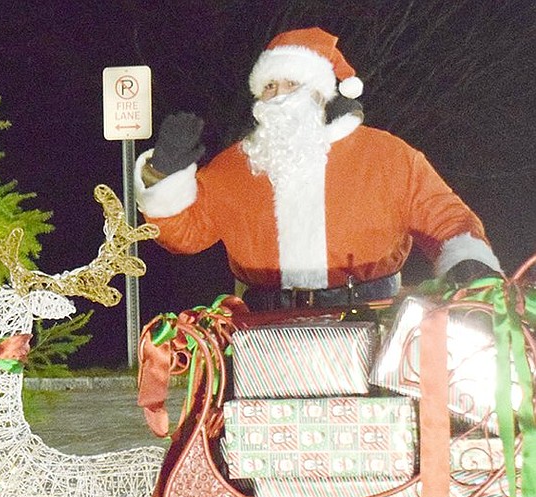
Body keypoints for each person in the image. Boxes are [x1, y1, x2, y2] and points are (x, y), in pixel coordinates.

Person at [136, 27, 503, 310]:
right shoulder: (237, 164)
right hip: (263, 328)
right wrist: (164, 174)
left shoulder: (387, 156)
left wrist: (469, 266)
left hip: (369, 317)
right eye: (269, 87)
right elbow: (185, 236)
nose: (278, 96)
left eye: (291, 84)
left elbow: (446, 220)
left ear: (322, 92)